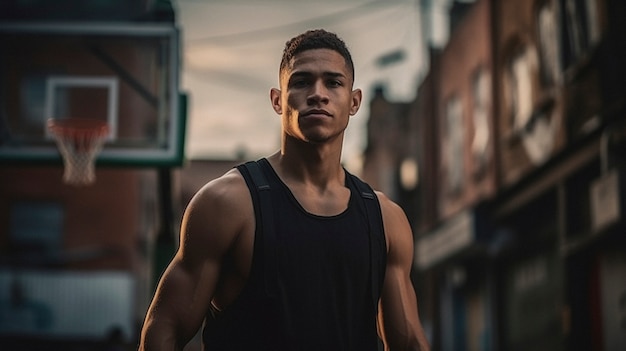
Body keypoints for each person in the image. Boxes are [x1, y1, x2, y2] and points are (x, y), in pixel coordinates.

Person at [139, 29, 430, 351]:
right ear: (278, 100)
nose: (318, 93)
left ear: (354, 101)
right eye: (302, 81)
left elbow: (410, 343)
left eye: (333, 82)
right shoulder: (227, 203)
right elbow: (165, 327)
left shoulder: (386, 219)